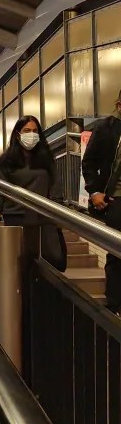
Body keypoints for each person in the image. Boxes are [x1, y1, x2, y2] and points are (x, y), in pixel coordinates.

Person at [0, 115, 66, 271]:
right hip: (16, 218)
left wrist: (59, 211)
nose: (31, 134)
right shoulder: (6, 163)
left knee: (53, 261)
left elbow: (55, 185)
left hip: (43, 218)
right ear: (18, 135)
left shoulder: (46, 160)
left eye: (34, 131)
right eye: (26, 130)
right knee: (20, 265)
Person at [82, 90, 121, 314]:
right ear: (118, 104)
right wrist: (95, 191)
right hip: (116, 198)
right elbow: (88, 162)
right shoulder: (105, 128)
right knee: (116, 252)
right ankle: (114, 305)